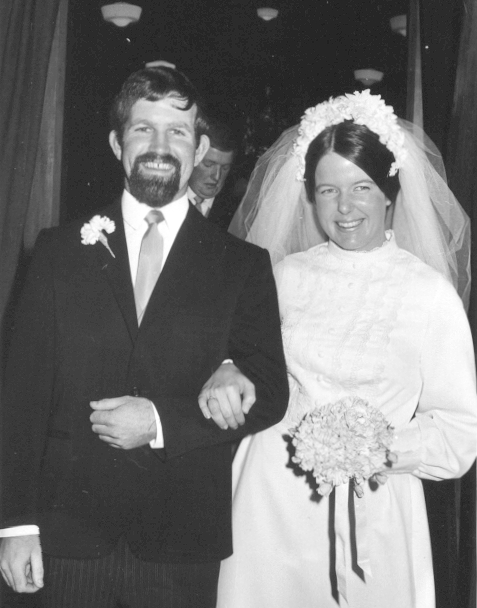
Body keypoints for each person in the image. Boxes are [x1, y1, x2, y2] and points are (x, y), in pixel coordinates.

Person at [0, 66, 289, 607]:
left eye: (177, 131)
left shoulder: (242, 266)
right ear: (117, 143)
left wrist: (159, 422)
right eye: (142, 129)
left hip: (180, 545)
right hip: (66, 539)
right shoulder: (59, 251)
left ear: (200, 146)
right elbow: (20, 398)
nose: (160, 146)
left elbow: (270, 391)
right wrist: (14, 525)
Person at [211, 91, 477, 607]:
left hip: (372, 508)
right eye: (328, 189)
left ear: (390, 192)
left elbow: (461, 433)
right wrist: (226, 367)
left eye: (361, 187)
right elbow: (236, 361)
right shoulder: (283, 277)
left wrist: (377, 447)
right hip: (268, 503)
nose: (345, 207)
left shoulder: (427, 294)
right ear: (310, 195)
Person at [188, 120, 237, 231]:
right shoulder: (167, 198)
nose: (216, 176)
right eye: (208, 164)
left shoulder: (237, 212)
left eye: (225, 168)